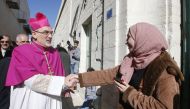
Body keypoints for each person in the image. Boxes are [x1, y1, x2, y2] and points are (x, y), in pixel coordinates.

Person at [78, 22, 184, 109]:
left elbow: (164, 107)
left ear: (143, 40)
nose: (126, 41)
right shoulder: (132, 60)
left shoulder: (165, 72)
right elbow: (108, 74)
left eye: (129, 36)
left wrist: (129, 93)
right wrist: (79, 78)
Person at [5, 12, 78, 109]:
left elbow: (60, 76)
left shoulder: (54, 53)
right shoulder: (21, 51)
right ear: (34, 34)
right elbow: (30, 81)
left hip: (53, 100)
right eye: (46, 32)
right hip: (31, 99)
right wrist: (63, 82)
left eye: (51, 32)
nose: (50, 36)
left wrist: (66, 86)